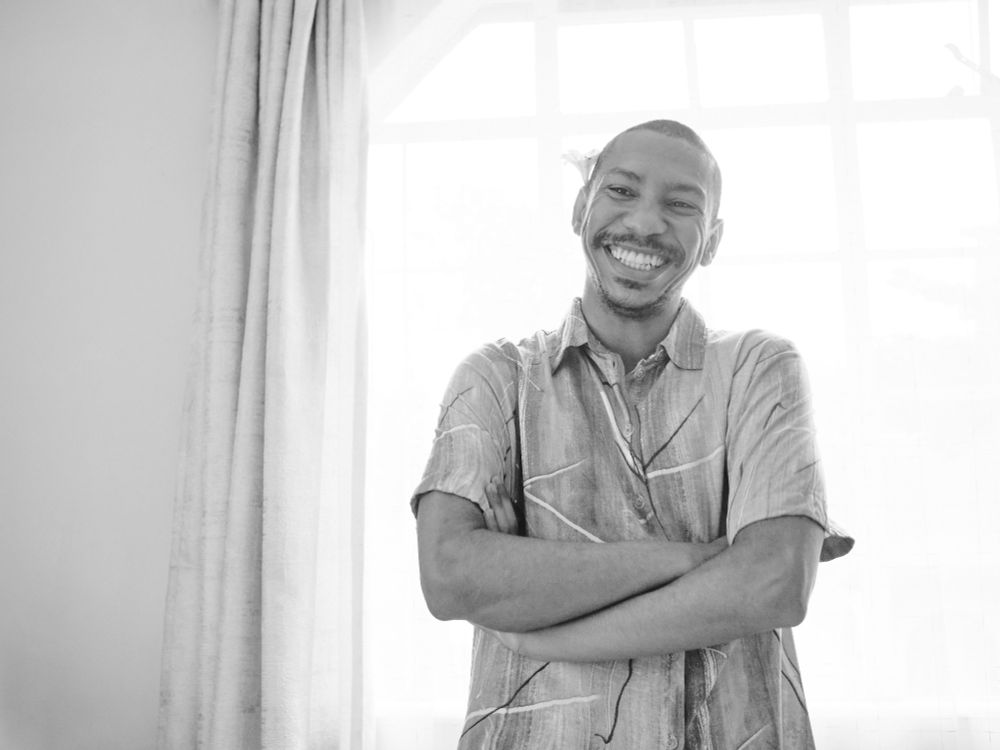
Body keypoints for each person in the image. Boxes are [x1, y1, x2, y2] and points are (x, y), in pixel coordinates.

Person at [411, 119, 853, 749]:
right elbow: (451, 577)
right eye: (621, 190)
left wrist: (545, 635)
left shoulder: (760, 367)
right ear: (579, 210)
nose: (645, 223)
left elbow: (774, 584)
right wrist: (700, 557)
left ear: (712, 241)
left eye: (681, 204)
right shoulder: (495, 377)